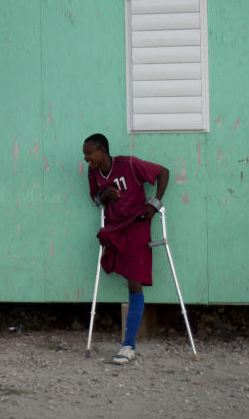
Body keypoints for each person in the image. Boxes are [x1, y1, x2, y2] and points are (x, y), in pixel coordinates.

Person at [83, 133, 169, 364]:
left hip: (137, 225)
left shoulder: (128, 164)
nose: (86, 158)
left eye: (89, 154)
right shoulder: (93, 173)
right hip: (114, 228)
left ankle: (128, 345)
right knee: (114, 264)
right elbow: (96, 200)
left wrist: (155, 203)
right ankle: (127, 343)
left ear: (102, 151)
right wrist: (104, 195)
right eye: (85, 154)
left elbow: (163, 172)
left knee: (134, 281)